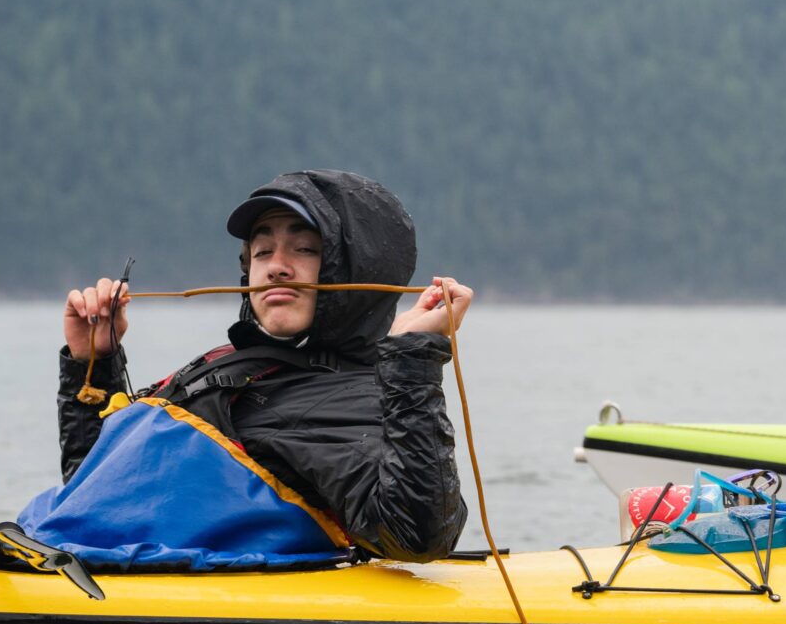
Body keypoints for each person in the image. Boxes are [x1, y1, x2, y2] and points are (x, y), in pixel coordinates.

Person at [37, 170, 471, 565]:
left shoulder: (349, 398)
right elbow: (91, 493)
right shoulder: (232, 365)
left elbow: (418, 537)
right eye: (262, 251)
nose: (277, 267)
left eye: (305, 249)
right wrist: (93, 362)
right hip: (70, 554)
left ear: (356, 270)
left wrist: (412, 356)